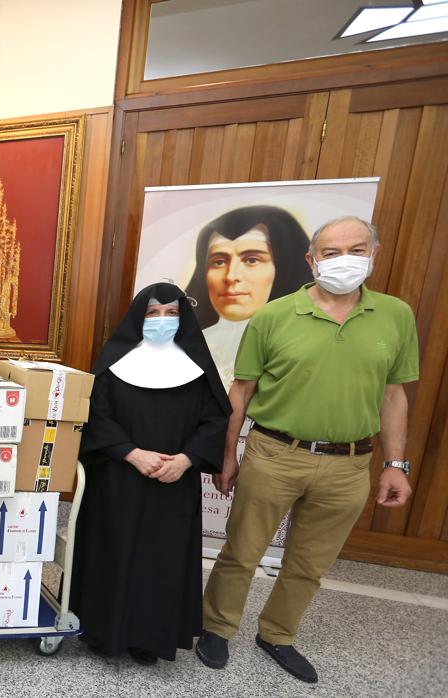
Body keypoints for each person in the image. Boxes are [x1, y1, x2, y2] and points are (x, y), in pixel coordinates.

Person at [197, 216, 418, 684]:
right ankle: (216, 627)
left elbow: (393, 394)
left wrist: (396, 464)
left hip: (351, 463)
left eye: (356, 250)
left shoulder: (396, 316)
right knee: (242, 550)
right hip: (276, 453)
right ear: (311, 259)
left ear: (374, 254)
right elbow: (241, 392)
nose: (344, 261)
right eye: (331, 252)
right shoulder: (275, 316)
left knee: (309, 562)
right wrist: (228, 455)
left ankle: (277, 634)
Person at [70, 282, 230, 665]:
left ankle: (149, 640)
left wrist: (186, 460)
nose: (162, 321)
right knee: (111, 551)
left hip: (174, 483)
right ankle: (100, 631)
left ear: (184, 317)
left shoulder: (197, 368)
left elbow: (214, 421)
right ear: (138, 318)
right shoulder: (114, 363)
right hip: (117, 480)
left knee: (163, 561)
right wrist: (131, 453)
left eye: (171, 313)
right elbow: (96, 415)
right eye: (153, 313)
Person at [183, 206, 312, 391]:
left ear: (284, 267)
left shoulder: (302, 346)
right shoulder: (189, 343)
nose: (230, 276)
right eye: (219, 262)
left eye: (251, 260)